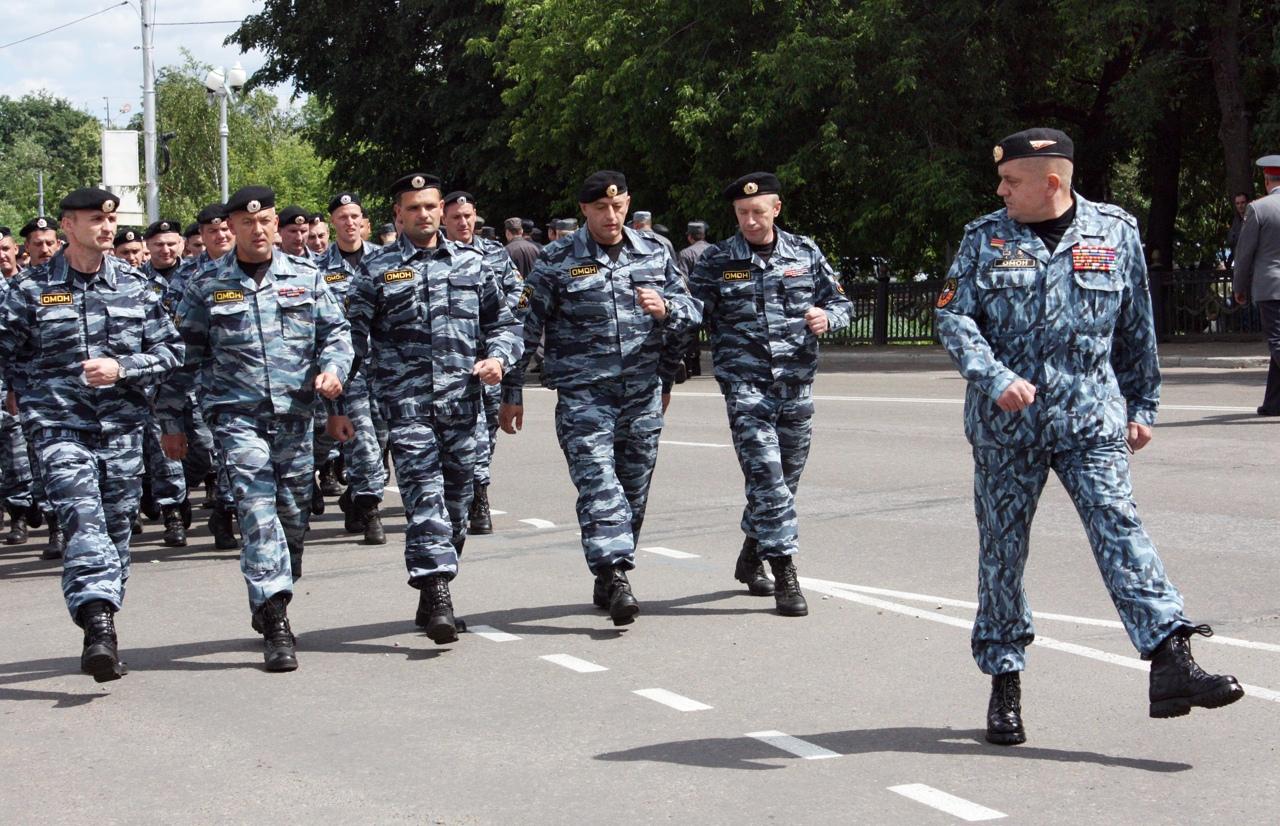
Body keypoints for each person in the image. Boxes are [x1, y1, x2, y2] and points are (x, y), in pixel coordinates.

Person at [935, 127, 1244, 746]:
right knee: (1003, 553)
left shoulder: (1114, 232)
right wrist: (993, 375)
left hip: (1090, 417)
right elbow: (951, 313)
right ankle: (1004, 681)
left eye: (1011, 181)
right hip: (1007, 427)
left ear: (1053, 181)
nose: (1001, 190)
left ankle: (1170, 661)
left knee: (1119, 528)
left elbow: (1136, 327)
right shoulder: (983, 238)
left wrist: (1143, 403)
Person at [159, 185, 352, 672]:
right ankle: (276, 616)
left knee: (292, 516)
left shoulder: (305, 277)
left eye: (266, 220)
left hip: (296, 417)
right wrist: (172, 419)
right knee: (257, 508)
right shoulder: (206, 285)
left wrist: (333, 370)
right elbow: (184, 357)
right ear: (231, 229)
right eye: (248, 223)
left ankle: (278, 581)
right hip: (236, 418)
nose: (259, 229)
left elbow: (337, 334)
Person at [499, 170, 700, 626]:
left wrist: (667, 311)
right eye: (601, 209)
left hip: (642, 394)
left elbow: (691, 312)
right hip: (584, 396)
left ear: (627, 203)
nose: (611, 216)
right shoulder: (556, 258)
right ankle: (617, 573)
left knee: (633, 494)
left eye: (618, 206)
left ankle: (607, 573)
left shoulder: (656, 251)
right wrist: (512, 391)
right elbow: (525, 326)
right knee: (600, 487)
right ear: (584, 210)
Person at [0, 187, 182, 681]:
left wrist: (122, 367)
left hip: (123, 428)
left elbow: (170, 353)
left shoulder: (138, 286)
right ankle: (97, 620)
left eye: (110, 219)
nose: (106, 227)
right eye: (94, 220)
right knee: (82, 515)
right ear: (67, 226)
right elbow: (6, 349)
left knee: (117, 531)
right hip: (59, 427)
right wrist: (19, 390)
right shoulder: (31, 289)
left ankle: (101, 620)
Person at [347, 173, 522, 644]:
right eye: (412, 208)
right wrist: (345, 398)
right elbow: (351, 341)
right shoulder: (377, 269)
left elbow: (504, 322)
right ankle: (439, 591)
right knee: (424, 499)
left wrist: (499, 358)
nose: (422, 215)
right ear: (398, 215)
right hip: (407, 410)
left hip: (464, 406)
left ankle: (432, 586)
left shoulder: (473, 263)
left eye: (429, 206)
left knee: (459, 506)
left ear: (441, 208)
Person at [687, 173, 852, 617]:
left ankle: (749, 553)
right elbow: (692, 310)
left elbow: (841, 303)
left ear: (776, 209)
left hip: (796, 383)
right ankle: (785, 572)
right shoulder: (719, 259)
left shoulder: (804, 251)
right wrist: (665, 309)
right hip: (746, 387)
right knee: (767, 478)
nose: (750, 221)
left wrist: (826, 318)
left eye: (758, 212)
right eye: (742, 214)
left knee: (785, 482)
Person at [443, 191, 525, 536]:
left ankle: (479, 495)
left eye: (469, 216)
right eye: (456, 217)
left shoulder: (494, 254)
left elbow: (518, 306)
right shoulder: (433, 256)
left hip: (489, 362)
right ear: (443, 219)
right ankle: (453, 497)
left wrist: (512, 383)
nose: (464, 223)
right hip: (448, 366)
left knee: (485, 433)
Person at [314, 191, 387, 544]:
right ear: (334, 223)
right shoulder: (318, 269)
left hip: (389, 368)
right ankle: (371, 509)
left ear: (364, 222)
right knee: (364, 442)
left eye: (355, 215)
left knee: (384, 438)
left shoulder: (387, 261)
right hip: (349, 371)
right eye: (342, 217)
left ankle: (355, 497)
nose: (349, 222)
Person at [139, 219, 192, 547]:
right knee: (161, 449)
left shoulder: (199, 276)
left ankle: (191, 490)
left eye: (171, 243)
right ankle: (173, 512)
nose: (166, 249)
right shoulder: (135, 282)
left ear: (181, 245)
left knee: (203, 447)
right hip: (153, 379)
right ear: (149, 247)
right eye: (158, 244)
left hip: (192, 376)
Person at [1232, 155, 1280, 416]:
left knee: (1277, 342)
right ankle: (1274, 403)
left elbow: (1245, 253)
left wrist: (1239, 287)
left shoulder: (1258, 209)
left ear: (1266, 180)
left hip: (1271, 287)